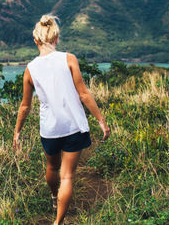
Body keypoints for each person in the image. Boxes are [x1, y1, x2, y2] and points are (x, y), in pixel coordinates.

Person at [13, 14, 111, 225]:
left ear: (36, 40)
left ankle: (52, 196)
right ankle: (58, 222)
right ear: (56, 38)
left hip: (49, 129)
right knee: (67, 177)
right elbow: (84, 93)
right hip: (74, 126)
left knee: (52, 168)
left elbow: (25, 106)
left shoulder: (30, 69)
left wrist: (17, 132)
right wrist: (101, 120)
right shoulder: (69, 59)